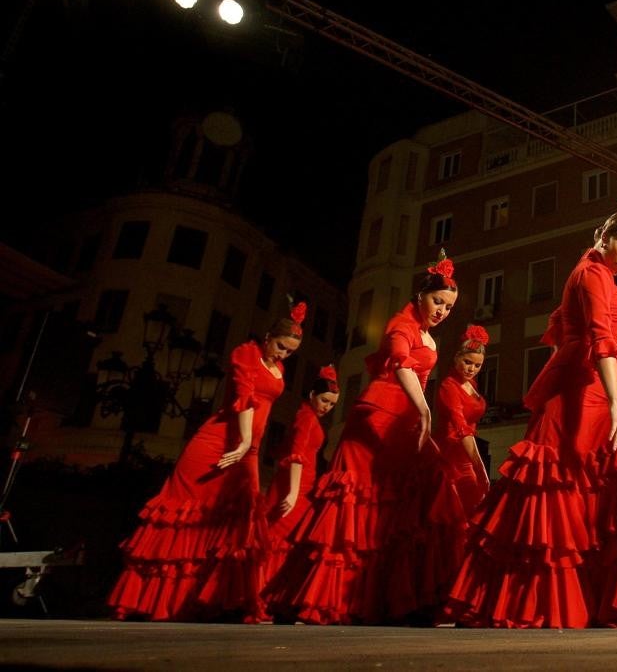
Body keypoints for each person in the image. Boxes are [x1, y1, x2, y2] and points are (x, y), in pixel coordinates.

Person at [445, 191, 617, 628]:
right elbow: (600, 337)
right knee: (578, 486)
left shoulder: (593, 273)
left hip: (589, 384)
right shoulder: (594, 275)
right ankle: (557, 599)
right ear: (606, 234)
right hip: (586, 389)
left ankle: (591, 597)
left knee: (594, 489)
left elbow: (562, 327)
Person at [266, 256, 462, 625]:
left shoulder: (431, 338)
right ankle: (332, 598)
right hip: (376, 417)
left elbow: (418, 382)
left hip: (404, 421)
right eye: (438, 302)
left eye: (449, 307)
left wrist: (419, 416)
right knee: (358, 504)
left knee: (423, 494)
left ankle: (406, 598)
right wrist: (423, 410)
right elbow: (402, 365)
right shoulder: (400, 324)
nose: (442, 311)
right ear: (421, 296)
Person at [109, 302, 305, 622]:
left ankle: (223, 601)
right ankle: (156, 601)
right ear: (268, 336)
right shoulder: (246, 353)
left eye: (290, 352)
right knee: (184, 518)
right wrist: (242, 441)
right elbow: (245, 397)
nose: (284, 355)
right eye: (281, 347)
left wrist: (247, 445)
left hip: (247, 450)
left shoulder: (279, 370)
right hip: (217, 444)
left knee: (242, 523)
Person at [261, 364, 339, 581]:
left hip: (301, 485)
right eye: (324, 400)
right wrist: (293, 493)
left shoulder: (309, 416)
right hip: (295, 486)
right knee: (280, 536)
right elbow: (296, 455)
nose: (327, 407)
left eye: (332, 404)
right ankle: (259, 592)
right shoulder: (306, 416)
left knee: (285, 538)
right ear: (312, 394)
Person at [433, 325, 491, 517]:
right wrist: (479, 465)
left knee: (472, 505)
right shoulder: (449, 386)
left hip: (465, 451)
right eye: (467, 362)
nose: (471, 369)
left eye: (477, 365)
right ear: (456, 357)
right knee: (466, 505)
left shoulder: (470, 384)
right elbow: (460, 426)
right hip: (452, 452)